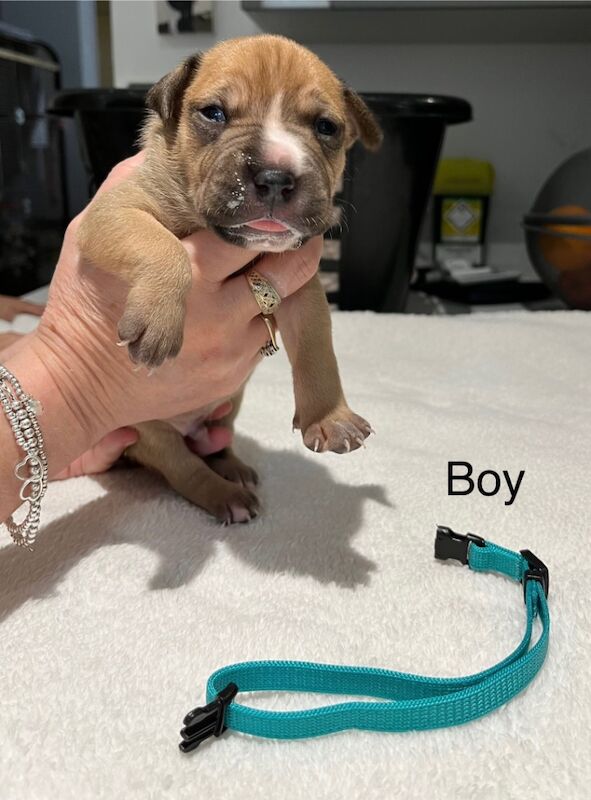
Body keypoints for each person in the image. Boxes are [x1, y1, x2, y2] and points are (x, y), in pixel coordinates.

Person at [0, 154, 322, 529]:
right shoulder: (161, 179)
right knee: (158, 430)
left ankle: (219, 453)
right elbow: (108, 227)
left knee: (222, 410)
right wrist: (76, 381)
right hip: (143, 414)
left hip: (201, 401)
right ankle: (194, 477)